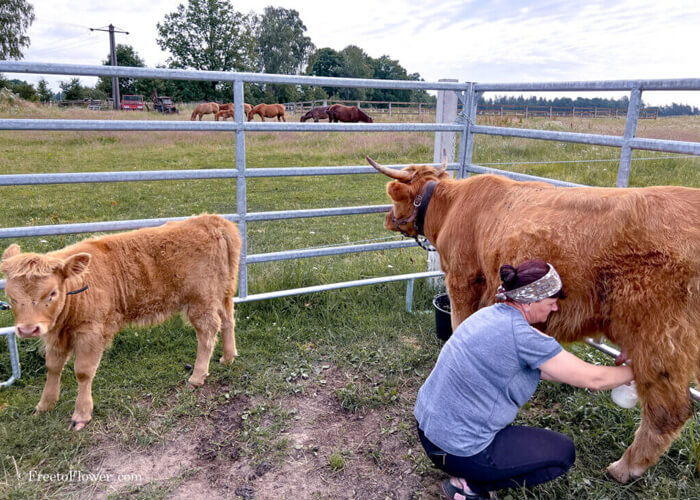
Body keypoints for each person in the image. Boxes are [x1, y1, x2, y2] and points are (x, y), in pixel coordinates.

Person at [415, 259, 634, 499]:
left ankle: (471, 472)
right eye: (551, 302)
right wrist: (638, 371)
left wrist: (587, 376)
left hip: (429, 432)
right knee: (562, 453)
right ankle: (470, 488)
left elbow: (549, 370)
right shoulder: (523, 337)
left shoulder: (488, 314)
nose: (555, 309)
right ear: (531, 301)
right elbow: (594, 379)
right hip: (459, 450)